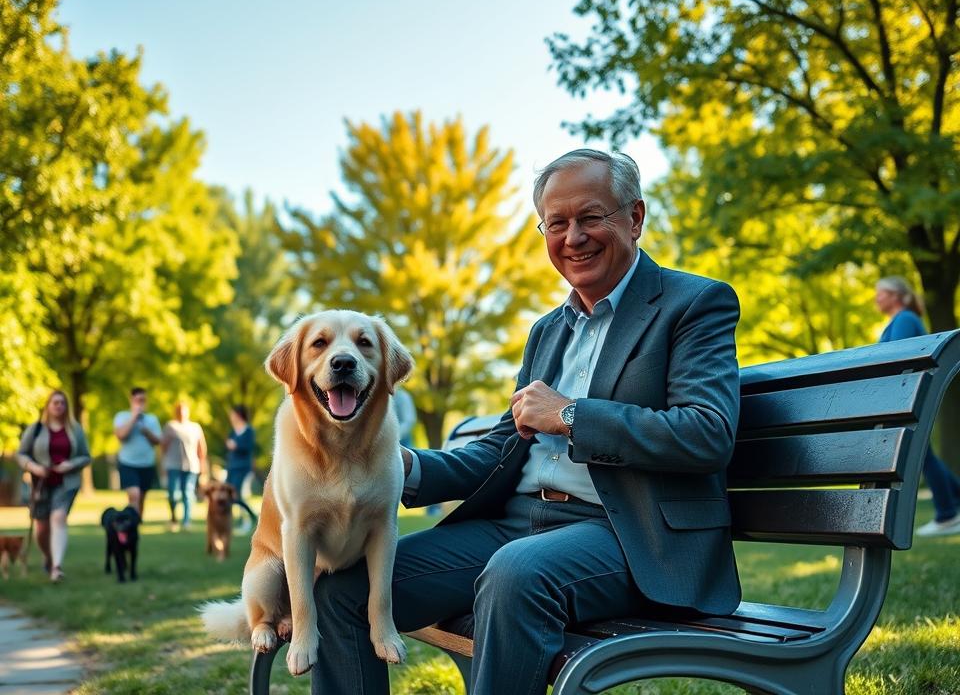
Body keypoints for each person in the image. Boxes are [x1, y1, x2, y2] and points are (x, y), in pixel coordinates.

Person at [309, 149, 742, 695]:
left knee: (516, 574)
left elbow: (706, 432)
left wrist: (569, 414)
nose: (573, 237)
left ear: (634, 218)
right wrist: (401, 466)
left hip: (628, 536)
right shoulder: (548, 330)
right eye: (556, 224)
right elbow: (500, 449)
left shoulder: (694, 303)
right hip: (517, 525)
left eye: (591, 218)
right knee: (347, 584)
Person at [876, 276, 960, 536]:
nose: (876, 298)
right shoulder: (900, 321)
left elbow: (897, 359)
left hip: (905, 397)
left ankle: (947, 514)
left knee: (920, 454)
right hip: (904, 397)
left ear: (896, 295)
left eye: (881, 293)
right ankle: (952, 507)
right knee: (923, 453)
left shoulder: (904, 320)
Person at [15, 389, 91, 582]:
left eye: (62, 403)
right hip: (41, 483)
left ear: (67, 407)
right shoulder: (36, 429)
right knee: (41, 530)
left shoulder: (75, 430)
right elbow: (21, 454)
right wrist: (33, 467)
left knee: (58, 517)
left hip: (67, 483)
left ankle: (56, 567)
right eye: (55, 402)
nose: (59, 406)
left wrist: (71, 464)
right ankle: (49, 558)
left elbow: (86, 456)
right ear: (48, 406)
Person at [113, 387, 162, 519]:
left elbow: (158, 441)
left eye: (143, 400)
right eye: (138, 400)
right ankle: (132, 522)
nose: (141, 403)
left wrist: (146, 431)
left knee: (141, 496)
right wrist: (134, 418)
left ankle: (137, 522)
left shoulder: (152, 419)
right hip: (127, 463)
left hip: (147, 463)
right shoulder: (122, 417)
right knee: (134, 494)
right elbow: (121, 435)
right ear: (131, 400)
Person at [161, 400, 208, 532]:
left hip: (191, 465)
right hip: (173, 465)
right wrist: (163, 464)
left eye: (184, 410)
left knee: (187, 493)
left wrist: (203, 466)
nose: (182, 413)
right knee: (172, 494)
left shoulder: (195, 427)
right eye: (179, 410)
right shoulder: (170, 426)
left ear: (188, 412)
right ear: (176, 412)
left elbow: (201, 448)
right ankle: (174, 518)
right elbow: (163, 447)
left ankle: (186, 521)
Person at [225, 405, 258, 532]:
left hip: (243, 468)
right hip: (232, 468)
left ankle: (248, 519)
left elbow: (248, 448)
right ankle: (235, 521)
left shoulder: (249, 431)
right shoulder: (233, 431)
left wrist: (236, 446)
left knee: (239, 496)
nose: (231, 417)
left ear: (239, 415)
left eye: (233, 414)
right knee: (230, 496)